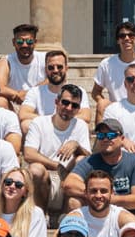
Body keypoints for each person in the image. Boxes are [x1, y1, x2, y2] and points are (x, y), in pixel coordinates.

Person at [22, 79, 90, 212]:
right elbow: (29, 154)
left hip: (69, 177)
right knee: (35, 169)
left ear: (78, 109)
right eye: (65, 102)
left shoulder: (80, 125)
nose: (69, 108)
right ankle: (40, 214)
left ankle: (64, 216)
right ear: (56, 102)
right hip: (46, 176)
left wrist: (77, 147)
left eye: (74, 105)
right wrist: (57, 166)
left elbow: (88, 158)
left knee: (81, 159)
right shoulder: (39, 122)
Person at [65, 120, 135, 214]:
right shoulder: (89, 161)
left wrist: (103, 198)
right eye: (101, 136)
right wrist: (98, 195)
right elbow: (69, 184)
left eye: (111, 135)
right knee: (73, 202)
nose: (106, 139)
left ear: (122, 139)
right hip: (98, 214)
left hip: (132, 214)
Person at [74, 171, 131, 237]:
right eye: (93, 191)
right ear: (85, 193)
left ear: (112, 193)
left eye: (103, 191)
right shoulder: (78, 216)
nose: (98, 195)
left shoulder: (120, 215)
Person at [18, 49, 76, 123]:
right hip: (43, 131)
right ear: (45, 70)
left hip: (67, 131)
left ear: (66, 68)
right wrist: (51, 121)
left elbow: (85, 115)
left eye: (59, 67)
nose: (55, 70)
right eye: (51, 67)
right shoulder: (35, 92)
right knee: (26, 124)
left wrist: (60, 121)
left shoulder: (77, 91)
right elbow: (23, 114)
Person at [0, 22, 43, 107]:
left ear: (35, 42)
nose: (25, 45)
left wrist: (29, 94)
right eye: (20, 41)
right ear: (14, 42)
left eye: (29, 41)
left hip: (40, 104)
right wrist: (17, 94)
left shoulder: (45, 58)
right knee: (0, 101)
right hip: (15, 105)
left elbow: (54, 80)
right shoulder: (6, 61)